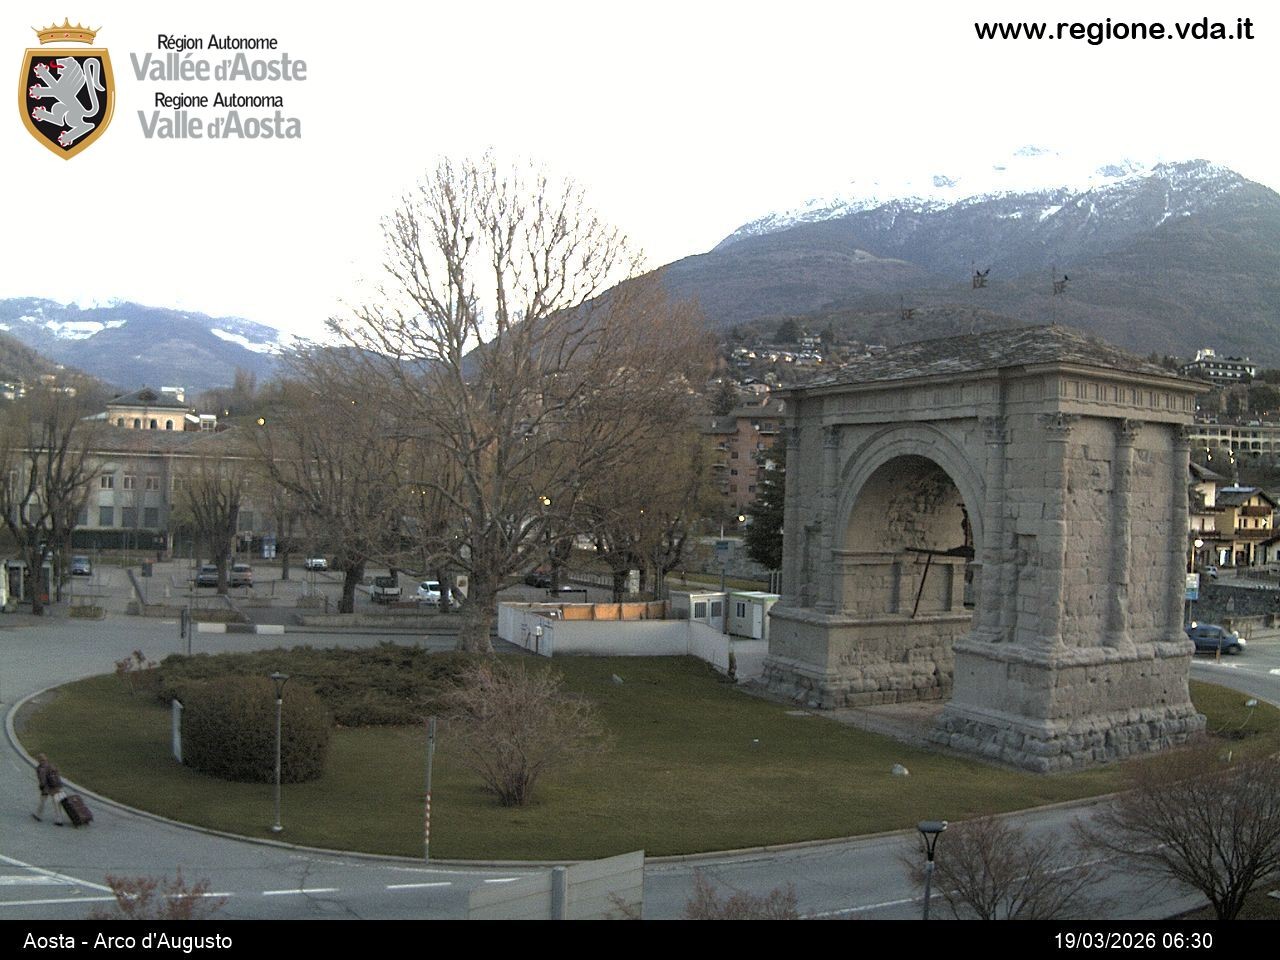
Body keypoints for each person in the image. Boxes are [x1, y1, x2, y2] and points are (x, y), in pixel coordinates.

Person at [32, 753, 65, 825]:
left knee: (42, 801)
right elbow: (58, 775)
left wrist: (41, 786)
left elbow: (42, 780)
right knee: (56, 803)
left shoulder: (41, 768)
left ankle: (38, 815)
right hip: (56, 787)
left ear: (39, 760)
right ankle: (59, 819)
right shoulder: (52, 765)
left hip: (46, 788)